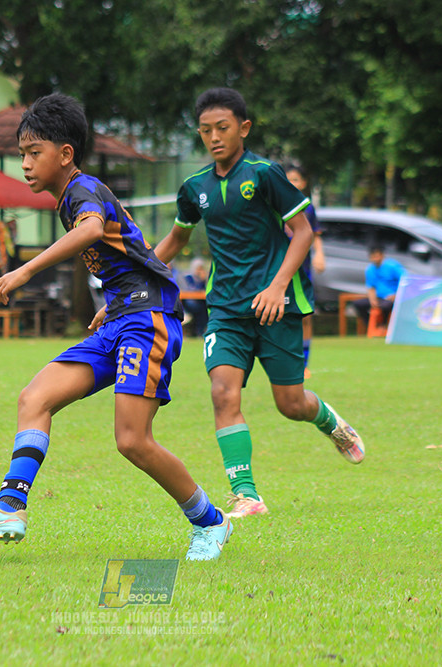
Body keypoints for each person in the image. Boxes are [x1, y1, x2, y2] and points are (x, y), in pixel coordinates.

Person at [0, 94, 232, 561]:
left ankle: (211, 522)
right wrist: (112, 301)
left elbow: (92, 231)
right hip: (123, 315)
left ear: (65, 154)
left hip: (148, 321)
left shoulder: (83, 190)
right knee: (34, 398)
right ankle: (9, 507)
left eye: (33, 152)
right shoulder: (70, 197)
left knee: (132, 440)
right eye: (21, 153)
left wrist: (25, 270)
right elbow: (129, 253)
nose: (24, 163)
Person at [153, 87, 365, 520]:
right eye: (206, 131)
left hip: (277, 306)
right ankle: (246, 495)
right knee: (222, 393)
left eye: (223, 128)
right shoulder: (195, 188)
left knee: (291, 404)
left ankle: (329, 422)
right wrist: (129, 282)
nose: (214, 137)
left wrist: (277, 285)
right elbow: (176, 239)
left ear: (243, 128)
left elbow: (303, 232)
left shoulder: (265, 174)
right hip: (226, 310)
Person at [284, 164, 325, 379]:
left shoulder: (307, 208)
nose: (292, 184)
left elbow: (315, 235)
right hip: (279, 271)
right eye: (288, 180)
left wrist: (320, 254)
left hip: (303, 272)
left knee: (304, 316)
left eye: (296, 180)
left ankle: (305, 362)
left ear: (304, 183)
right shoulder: (275, 205)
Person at [351, 245, 405, 331]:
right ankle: (370, 326)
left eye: (377, 256)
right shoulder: (370, 269)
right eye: (373, 257)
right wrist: (372, 300)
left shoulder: (392, 266)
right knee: (358, 304)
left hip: (393, 298)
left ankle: (382, 326)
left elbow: (405, 280)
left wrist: (396, 295)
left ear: (382, 255)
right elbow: (371, 287)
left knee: (385, 306)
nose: (375, 259)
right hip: (379, 298)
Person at [182, 258, 210, 337]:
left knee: (204, 308)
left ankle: (200, 331)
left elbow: (205, 290)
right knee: (200, 309)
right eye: (198, 268)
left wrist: (203, 280)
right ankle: (198, 331)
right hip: (187, 303)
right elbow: (190, 289)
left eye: (201, 268)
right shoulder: (188, 277)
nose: (199, 270)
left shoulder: (203, 277)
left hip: (200, 302)